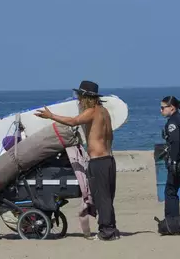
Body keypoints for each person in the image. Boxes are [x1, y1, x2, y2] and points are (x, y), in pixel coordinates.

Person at [34, 80, 120, 241]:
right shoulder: (104, 111)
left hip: (98, 161)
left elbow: (73, 121)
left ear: (86, 97)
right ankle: (111, 229)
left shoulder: (92, 111)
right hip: (109, 159)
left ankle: (106, 232)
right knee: (107, 197)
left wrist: (51, 116)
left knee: (102, 197)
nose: (78, 100)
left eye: (80, 97)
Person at [159, 95, 180, 218]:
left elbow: (175, 142)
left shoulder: (173, 122)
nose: (161, 110)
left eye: (163, 108)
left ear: (172, 108)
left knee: (170, 191)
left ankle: (172, 221)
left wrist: (174, 162)